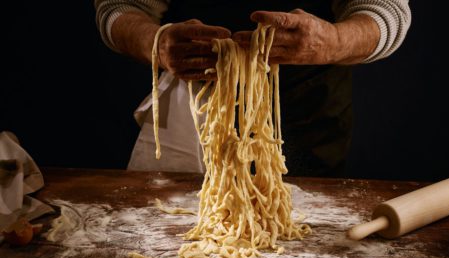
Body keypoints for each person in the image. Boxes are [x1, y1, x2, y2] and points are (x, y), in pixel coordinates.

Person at [94, 0, 411, 177]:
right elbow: (118, 7)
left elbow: (388, 12)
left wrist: (334, 41)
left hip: (307, 118)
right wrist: (158, 44)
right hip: (192, 116)